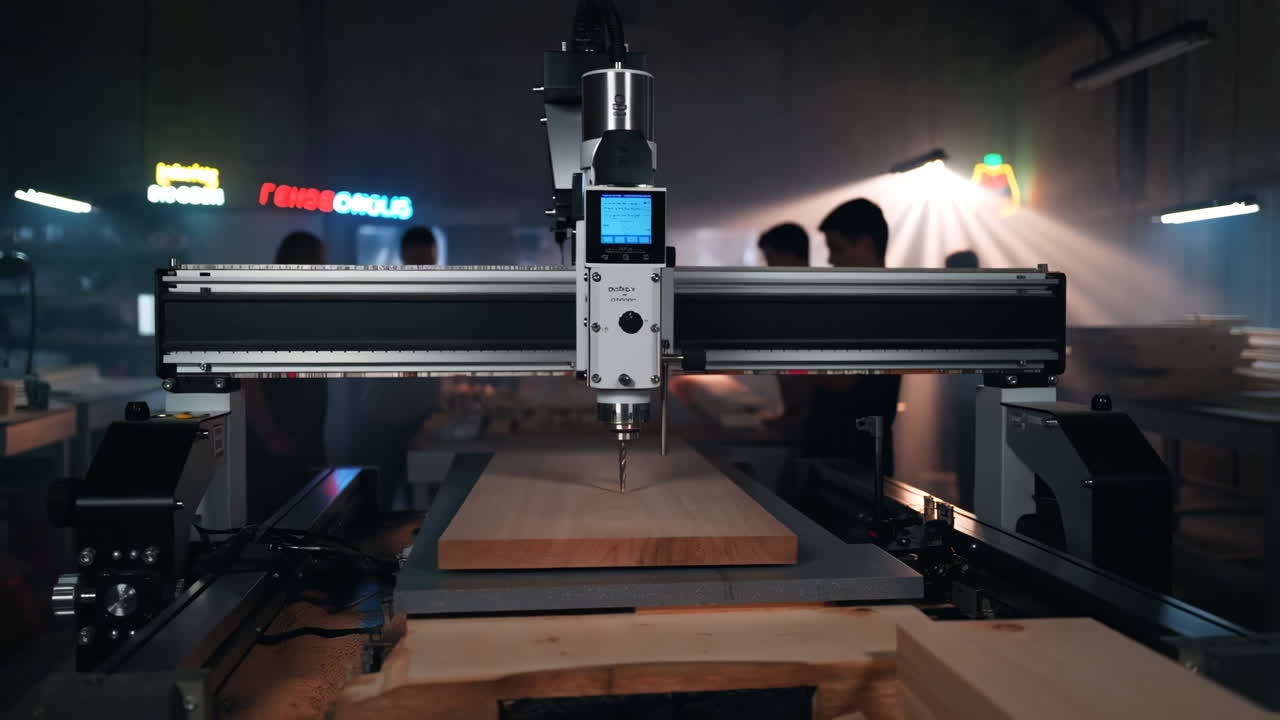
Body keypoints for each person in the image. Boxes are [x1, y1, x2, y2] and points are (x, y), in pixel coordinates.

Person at [806, 199, 902, 475]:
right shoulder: (882, 299)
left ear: (866, 244)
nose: (831, 260)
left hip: (851, 457)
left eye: (837, 249)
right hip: (855, 452)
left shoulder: (873, 304)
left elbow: (841, 380)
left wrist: (788, 359)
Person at [243, 231, 328, 521]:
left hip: (306, 439)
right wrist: (271, 435)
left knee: (309, 516)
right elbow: (248, 380)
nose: (325, 267)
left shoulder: (304, 311)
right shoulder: (268, 312)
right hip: (277, 445)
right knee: (278, 522)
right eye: (320, 260)